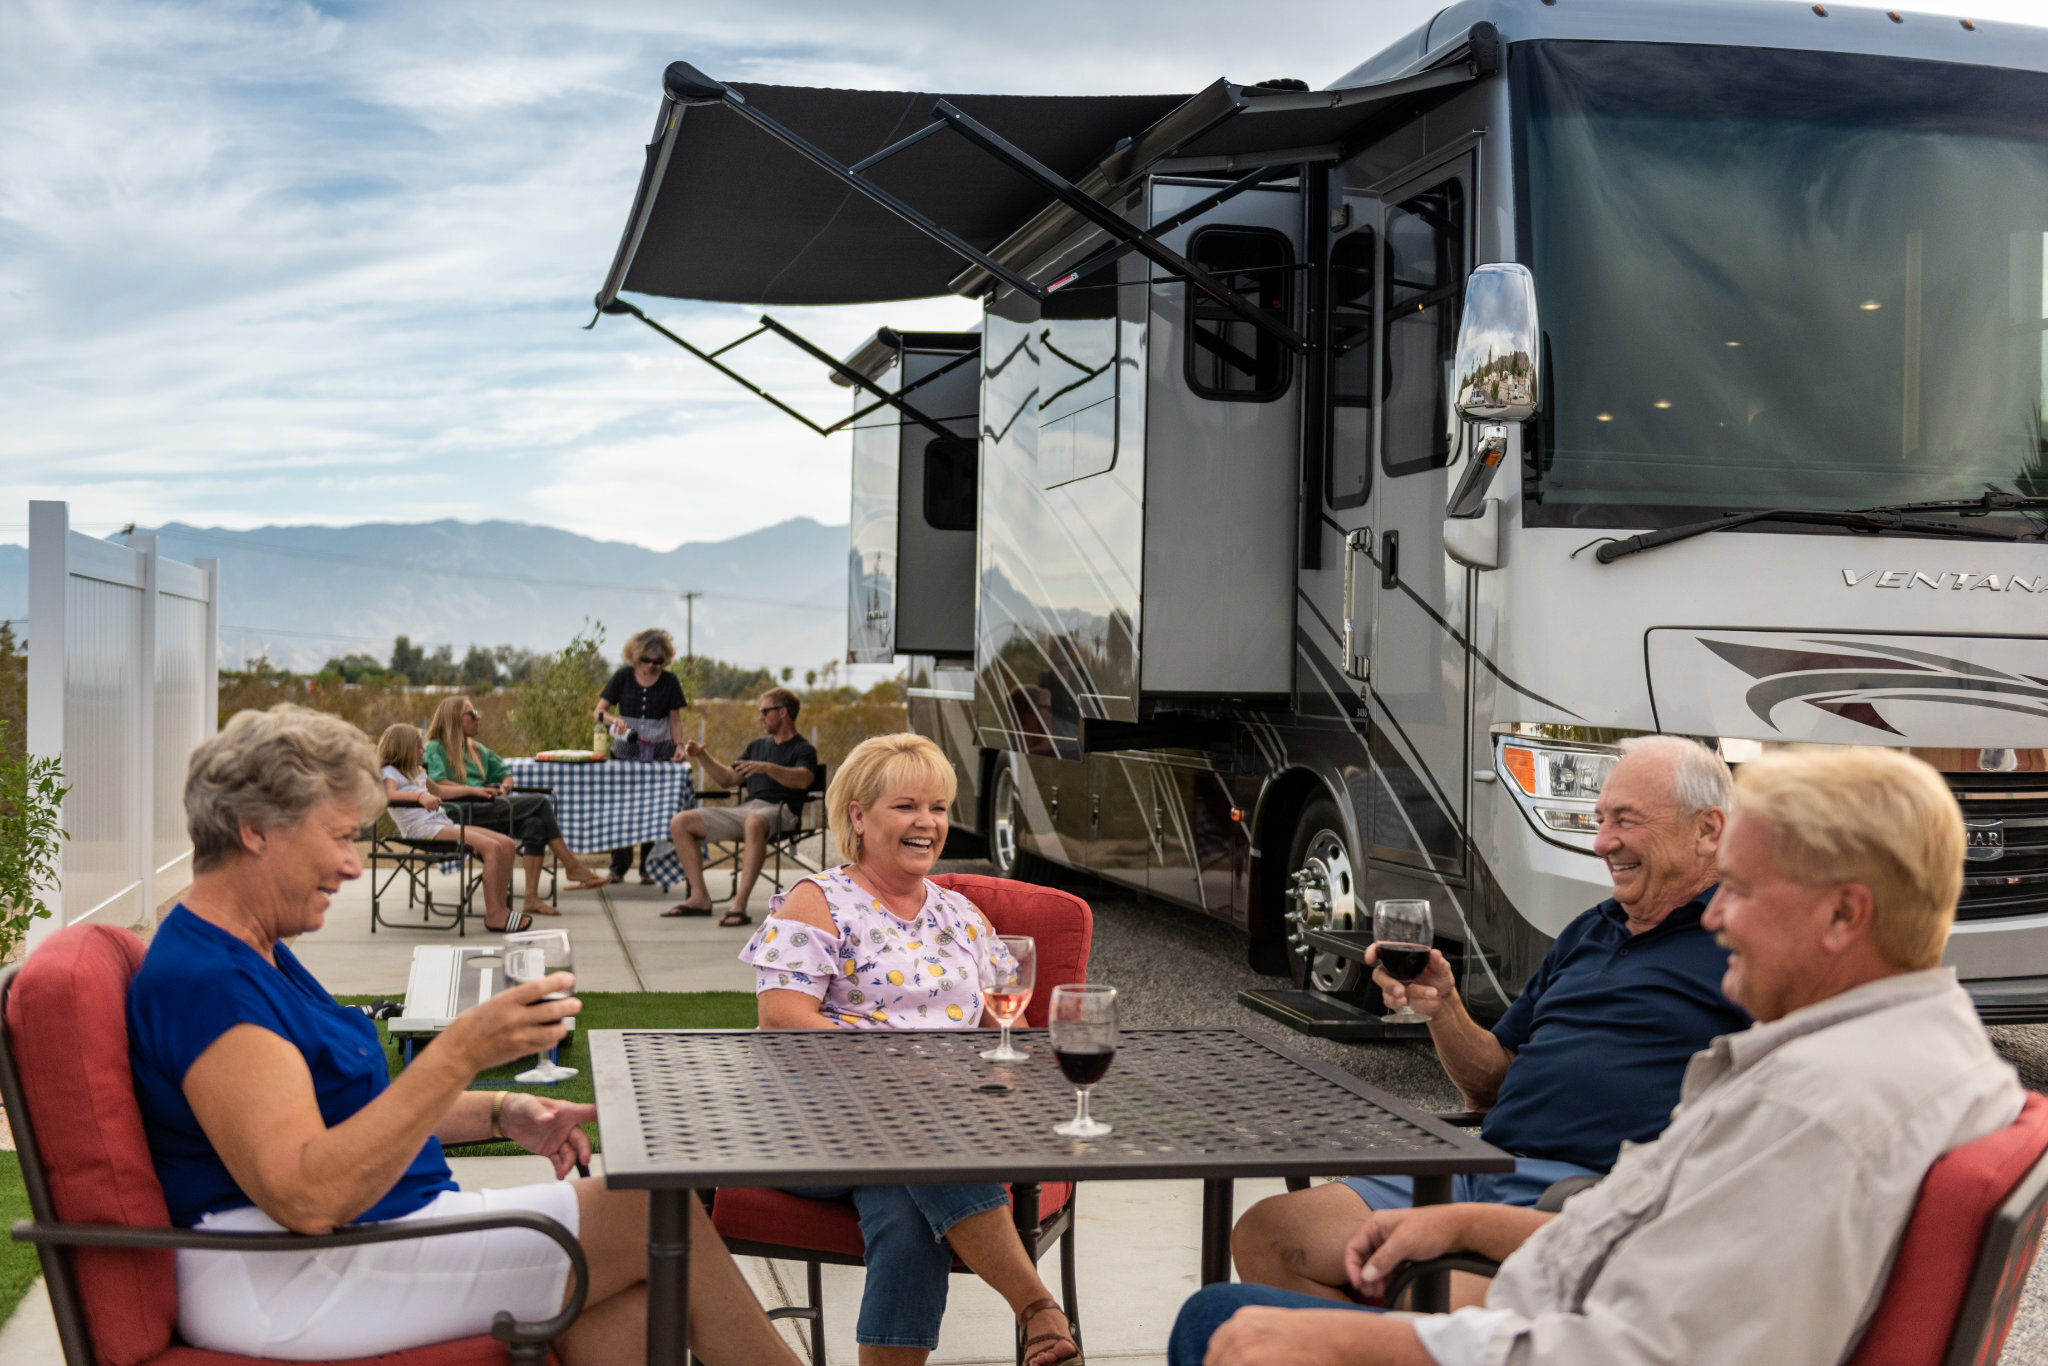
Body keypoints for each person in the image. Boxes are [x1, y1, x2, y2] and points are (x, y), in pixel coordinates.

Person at [1172, 744, 2023, 1366]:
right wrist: (1464, 1218)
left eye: (1748, 890)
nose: (1722, 918)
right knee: (1260, 1267)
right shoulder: (1902, 1053)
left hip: (1567, 1250)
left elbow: (1639, 1343)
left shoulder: (1818, 1108)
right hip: (1522, 1198)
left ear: (1844, 916)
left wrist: (1396, 1347)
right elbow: (1656, 1239)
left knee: (1224, 1326)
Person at [127, 704, 805, 1366]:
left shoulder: (253, 950)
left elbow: (342, 1116)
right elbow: (306, 1195)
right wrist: (459, 1054)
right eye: (337, 836)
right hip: (289, 1277)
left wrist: (500, 1110)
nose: (353, 864)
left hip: (350, 1242)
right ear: (255, 831)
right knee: (653, 1214)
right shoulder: (210, 982)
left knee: (622, 1302)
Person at [1232, 736, 1748, 1304]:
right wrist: (1443, 1005)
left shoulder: (1744, 946)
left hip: (1586, 1200)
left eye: (1626, 821)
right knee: (1269, 1235)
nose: (1603, 843)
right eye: (1599, 819)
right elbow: (1488, 1085)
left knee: (1423, 1293)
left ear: (1708, 829)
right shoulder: (1587, 932)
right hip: (1479, 1168)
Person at [736, 732, 1080, 1366]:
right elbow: (783, 1021)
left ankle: (1032, 1315)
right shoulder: (818, 902)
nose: (927, 823)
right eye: (906, 806)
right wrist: (905, 1076)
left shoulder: (960, 915)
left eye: (939, 807)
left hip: (933, 1125)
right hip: (813, 1124)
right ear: (859, 817)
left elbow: (1010, 1025)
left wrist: (988, 1085)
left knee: (906, 1214)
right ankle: (1038, 1308)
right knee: (923, 1128)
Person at [424, 694, 608, 912]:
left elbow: (505, 774)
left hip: (484, 810)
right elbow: (435, 786)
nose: (478, 717)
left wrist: (505, 787)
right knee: (540, 802)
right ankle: (572, 866)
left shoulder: (476, 750)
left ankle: (531, 899)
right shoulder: (435, 748)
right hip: (457, 814)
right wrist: (475, 790)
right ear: (454, 719)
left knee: (535, 825)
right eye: (472, 714)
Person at [669, 686, 818, 926]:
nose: (760, 717)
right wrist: (701, 756)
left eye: (765, 711)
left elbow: (803, 779)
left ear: (782, 712)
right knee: (681, 821)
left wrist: (767, 768)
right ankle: (699, 898)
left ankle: (739, 904)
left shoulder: (803, 749)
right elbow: (728, 780)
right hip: (747, 810)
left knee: (755, 822)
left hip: (783, 811)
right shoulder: (757, 746)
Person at [376, 722, 527, 932]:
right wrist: (419, 797)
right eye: (419, 747)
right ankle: (494, 915)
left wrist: (475, 791)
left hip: (441, 823)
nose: (423, 750)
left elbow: (441, 792)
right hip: (422, 830)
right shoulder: (389, 772)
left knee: (507, 844)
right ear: (403, 749)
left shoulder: (418, 771)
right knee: (492, 848)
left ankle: (501, 909)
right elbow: (389, 795)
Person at [592, 628, 690, 884]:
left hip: (659, 753)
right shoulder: (622, 677)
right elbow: (599, 713)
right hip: (625, 753)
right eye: (647, 660)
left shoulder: (670, 681)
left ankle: (648, 867)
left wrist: (678, 745)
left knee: (655, 811)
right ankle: (618, 867)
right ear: (635, 656)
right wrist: (615, 720)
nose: (652, 666)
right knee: (620, 811)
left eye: (658, 662)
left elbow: (675, 719)